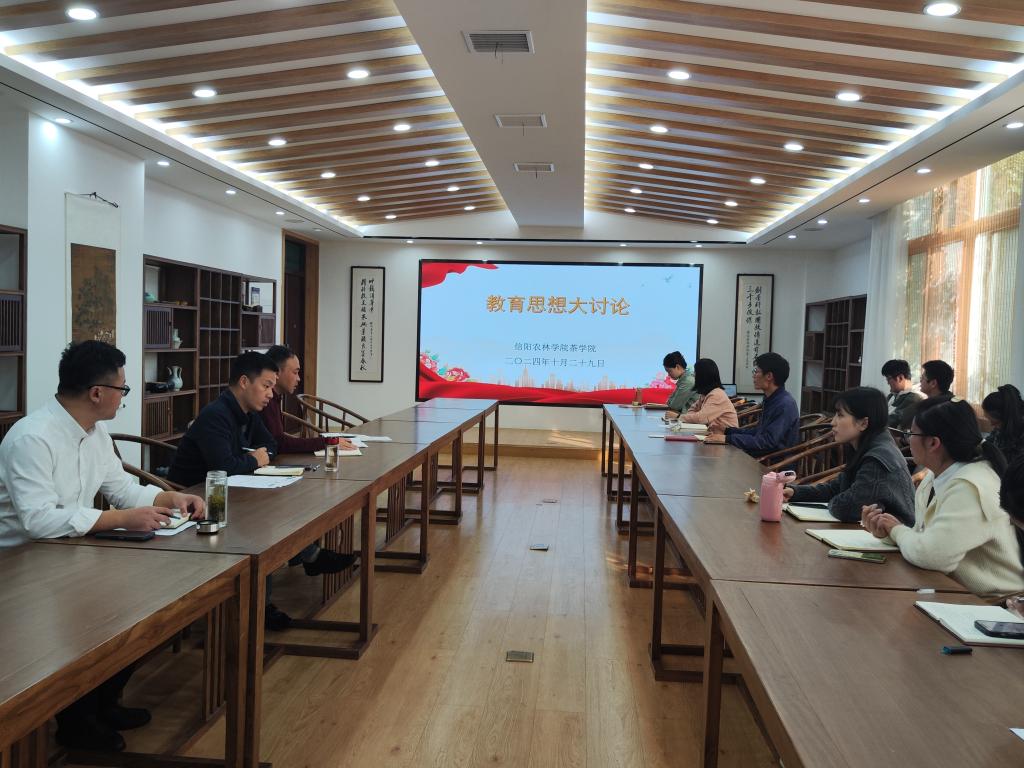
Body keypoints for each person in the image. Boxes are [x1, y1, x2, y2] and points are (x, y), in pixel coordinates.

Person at [0, 341, 206, 751]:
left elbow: (122, 489)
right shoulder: (32, 438)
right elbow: (38, 520)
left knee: (144, 605)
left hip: (71, 552)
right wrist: (118, 519)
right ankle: (76, 721)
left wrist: (170, 498)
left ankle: (103, 702)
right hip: (20, 566)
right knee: (95, 613)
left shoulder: (94, 432)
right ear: (97, 392)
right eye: (122, 389)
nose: (124, 398)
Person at [168, 352, 356, 630]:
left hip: (232, 493)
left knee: (275, 508)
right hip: (195, 504)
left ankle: (294, 572)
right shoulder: (215, 415)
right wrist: (254, 459)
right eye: (266, 386)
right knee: (263, 523)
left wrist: (255, 456)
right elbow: (225, 467)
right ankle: (264, 604)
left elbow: (271, 445)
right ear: (244, 382)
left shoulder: (248, 413)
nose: (270, 394)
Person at [862, 398, 1024, 599]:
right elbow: (924, 540)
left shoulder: (971, 486)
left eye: (911, 434)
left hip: (993, 604)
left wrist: (897, 531)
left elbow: (931, 556)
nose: (907, 440)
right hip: (950, 591)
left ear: (933, 442)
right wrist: (888, 531)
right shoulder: (935, 476)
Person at [783, 387, 914, 525]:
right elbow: (836, 488)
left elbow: (847, 508)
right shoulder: (864, 445)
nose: (832, 422)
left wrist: (835, 500)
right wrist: (795, 492)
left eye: (840, 415)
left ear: (863, 423)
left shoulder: (877, 459)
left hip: (895, 536)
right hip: (873, 532)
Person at [262, 344, 354, 454]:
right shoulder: (264, 401)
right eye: (295, 372)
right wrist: (326, 442)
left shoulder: (274, 398)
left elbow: (279, 441)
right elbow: (280, 443)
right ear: (277, 373)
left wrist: (325, 441)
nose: (298, 378)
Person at [705, 352, 799, 457]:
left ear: (769, 376)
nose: (754, 376)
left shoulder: (785, 404)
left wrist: (727, 438)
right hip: (761, 456)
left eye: (756, 371)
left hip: (771, 463)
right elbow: (758, 432)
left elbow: (767, 442)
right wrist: (727, 431)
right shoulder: (772, 399)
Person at [678, 358, 738, 432]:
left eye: (695, 372)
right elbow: (691, 411)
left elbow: (700, 418)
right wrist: (695, 416)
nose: (693, 375)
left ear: (703, 376)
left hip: (726, 436)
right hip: (713, 432)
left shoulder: (716, 395)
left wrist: (679, 416)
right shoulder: (706, 393)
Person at [982, 384, 1024, 466]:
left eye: (994, 422)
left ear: (1006, 418)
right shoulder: (1000, 429)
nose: (991, 425)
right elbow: (988, 444)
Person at [881, 359, 924, 428]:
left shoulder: (914, 398)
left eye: (889, 379)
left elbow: (894, 420)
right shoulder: (891, 396)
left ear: (900, 378)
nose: (888, 383)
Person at [663, 351, 697, 418]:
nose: (668, 375)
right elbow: (669, 402)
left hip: (689, 419)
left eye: (669, 371)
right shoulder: (684, 379)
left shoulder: (688, 381)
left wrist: (670, 403)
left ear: (677, 367)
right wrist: (670, 403)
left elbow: (674, 406)